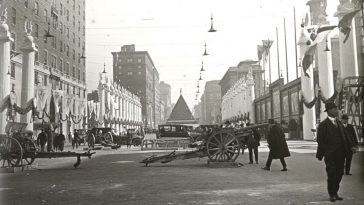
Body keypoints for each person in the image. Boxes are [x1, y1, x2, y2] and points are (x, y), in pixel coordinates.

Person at [316, 102, 355, 202]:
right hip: (330, 155)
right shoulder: (323, 125)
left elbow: (346, 136)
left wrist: (351, 146)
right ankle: (331, 194)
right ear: (329, 111)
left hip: (341, 154)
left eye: (337, 109)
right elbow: (320, 140)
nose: (337, 111)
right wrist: (326, 152)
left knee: (340, 173)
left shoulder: (339, 123)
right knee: (331, 174)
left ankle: (335, 192)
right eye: (335, 109)